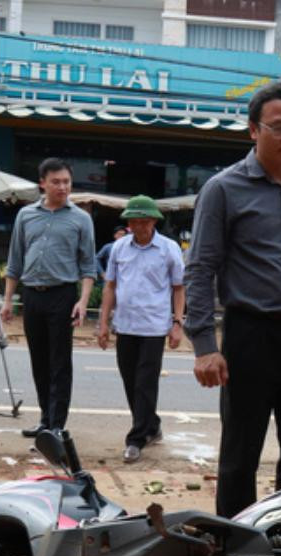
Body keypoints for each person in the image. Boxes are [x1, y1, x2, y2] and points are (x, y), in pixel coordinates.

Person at [184, 80, 281, 518]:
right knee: (240, 456)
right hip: (250, 335)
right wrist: (204, 346)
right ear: (253, 130)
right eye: (278, 128)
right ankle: (235, 550)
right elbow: (200, 268)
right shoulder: (223, 189)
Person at [1, 157, 98, 437]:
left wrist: (83, 301)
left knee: (60, 362)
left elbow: (88, 265)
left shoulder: (81, 219)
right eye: (56, 182)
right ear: (42, 183)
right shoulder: (26, 216)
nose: (62, 187)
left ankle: (57, 426)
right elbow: (15, 260)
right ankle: (45, 418)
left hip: (62, 296)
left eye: (66, 182)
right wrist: (8, 300)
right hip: (32, 295)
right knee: (39, 361)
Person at [96, 195, 184, 463]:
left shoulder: (169, 249)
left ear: (154, 221)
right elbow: (110, 286)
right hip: (125, 324)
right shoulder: (119, 248)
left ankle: (136, 439)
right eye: (134, 221)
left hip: (154, 326)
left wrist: (177, 323)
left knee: (145, 383)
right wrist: (103, 323)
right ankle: (152, 425)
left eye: (144, 221)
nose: (139, 226)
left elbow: (178, 288)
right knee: (130, 380)